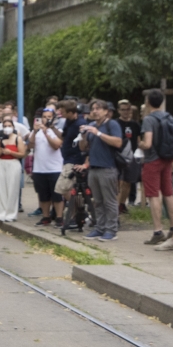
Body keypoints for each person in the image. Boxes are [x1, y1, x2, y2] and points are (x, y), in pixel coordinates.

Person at [140, 89, 173, 248]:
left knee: (153, 195)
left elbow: (148, 143)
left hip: (152, 160)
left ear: (148, 102)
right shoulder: (170, 117)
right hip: (168, 159)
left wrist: (141, 144)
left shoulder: (149, 119)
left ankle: (158, 231)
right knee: (168, 193)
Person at [79, 99, 124, 241]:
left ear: (106, 111)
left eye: (98, 108)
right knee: (97, 201)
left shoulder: (112, 124)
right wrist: (83, 136)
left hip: (108, 168)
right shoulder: (91, 125)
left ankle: (111, 230)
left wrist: (98, 133)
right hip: (94, 168)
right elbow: (83, 148)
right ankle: (99, 227)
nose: (95, 111)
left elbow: (118, 142)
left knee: (109, 201)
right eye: (93, 108)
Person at [55, 100, 89, 232]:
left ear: (71, 112)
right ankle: (79, 212)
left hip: (74, 160)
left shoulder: (80, 124)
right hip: (67, 158)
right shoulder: (68, 122)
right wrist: (51, 128)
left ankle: (79, 212)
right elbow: (63, 138)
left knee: (63, 187)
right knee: (67, 189)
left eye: (62, 112)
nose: (60, 114)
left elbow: (84, 142)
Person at [0, 111, 28, 223]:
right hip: (1, 163)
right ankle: (1, 213)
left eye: (9, 126)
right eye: (5, 126)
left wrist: (10, 152)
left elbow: (22, 154)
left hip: (13, 163)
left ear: (13, 127)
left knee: (12, 189)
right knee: (1, 188)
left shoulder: (17, 138)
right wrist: (1, 151)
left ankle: (11, 214)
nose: (7, 128)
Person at [30, 107, 64, 226]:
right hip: (39, 168)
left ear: (53, 118)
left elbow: (56, 145)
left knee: (57, 195)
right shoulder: (36, 131)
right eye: (44, 117)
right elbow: (30, 145)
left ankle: (59, 217)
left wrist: (46, 132)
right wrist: (34, 131)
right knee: (43, 195)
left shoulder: (57, 130)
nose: (46, 119)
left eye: (49, 117)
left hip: (54, 168)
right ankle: (46, 216)